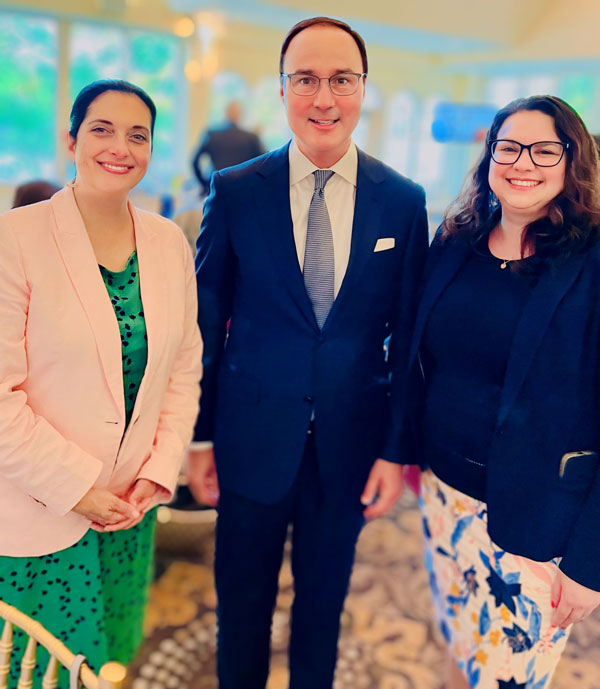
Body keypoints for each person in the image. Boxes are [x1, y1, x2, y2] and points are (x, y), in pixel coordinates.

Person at [187, 16, 429, 689]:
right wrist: (200, 437)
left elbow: (406, 338)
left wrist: (393, 449)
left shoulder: (404, 202)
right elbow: (206, 327)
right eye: (307, 79)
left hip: (350, 448)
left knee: (322, 612)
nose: (324, 98)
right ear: (284, 89)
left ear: (363, 89)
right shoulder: (235, 191)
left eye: (341, 80)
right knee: (241, 609)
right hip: (250, 438)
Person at [0, 79, 203, 687]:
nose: (121, 147)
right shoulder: (16, 239)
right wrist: (78, 487)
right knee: (36, 670)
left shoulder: (168, 242)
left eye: (137, 135)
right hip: (37, 509)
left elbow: (183, 368)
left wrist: (158, 470)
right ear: (70, 139)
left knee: (107, 658)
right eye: (102, 129)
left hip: (127, 512)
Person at [408, 95, 600, 689]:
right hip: (443, 497)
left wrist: (591, 565)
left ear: (573, 160)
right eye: (509, 146)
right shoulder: (456, 243)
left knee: (509, 678)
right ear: (489, 155)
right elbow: (423, 363)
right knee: (460, 639)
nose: (523, 161)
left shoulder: (592, 263)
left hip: (536, 520)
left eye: (546, 149)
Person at [192, 100, 265, 193]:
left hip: (216, 188)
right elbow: (264, 164)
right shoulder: (251, 138)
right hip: (243, 189)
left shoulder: (212, 135)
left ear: (226, 113)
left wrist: (204, 184)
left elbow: (194, 161)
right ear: (240, 115)